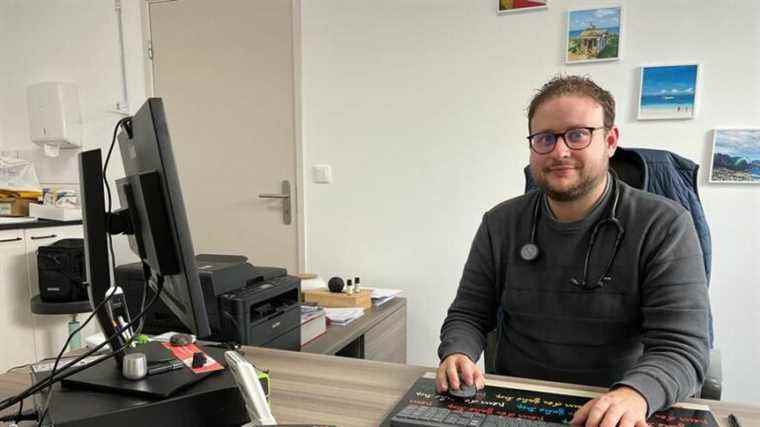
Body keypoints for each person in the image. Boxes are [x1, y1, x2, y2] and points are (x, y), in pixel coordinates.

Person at [437, 75, 710, 427]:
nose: (560, 151)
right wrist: (457, 351)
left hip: (615, 408)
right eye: (545, 138)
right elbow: (469, 314)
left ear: (610, 141)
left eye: (578, 134)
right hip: (514, 404)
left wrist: (636, 394)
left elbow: (682, 348)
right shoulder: (500, 222)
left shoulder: (664, 224)